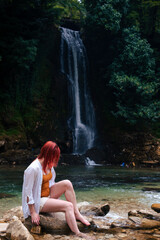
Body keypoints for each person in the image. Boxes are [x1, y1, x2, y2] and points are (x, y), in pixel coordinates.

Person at [22, 141, 91, 239]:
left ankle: (77, 214)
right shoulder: (32, 169)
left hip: (47, 196)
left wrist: (55, 202)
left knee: (67, 183)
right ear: (48, 154)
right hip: (38, 201)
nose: (56, 159)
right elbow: (27, 193)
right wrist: (33, 213)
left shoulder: (48, 165)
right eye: (55, 156)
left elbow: (51, 184)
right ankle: (77, 233)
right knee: (68, 206)